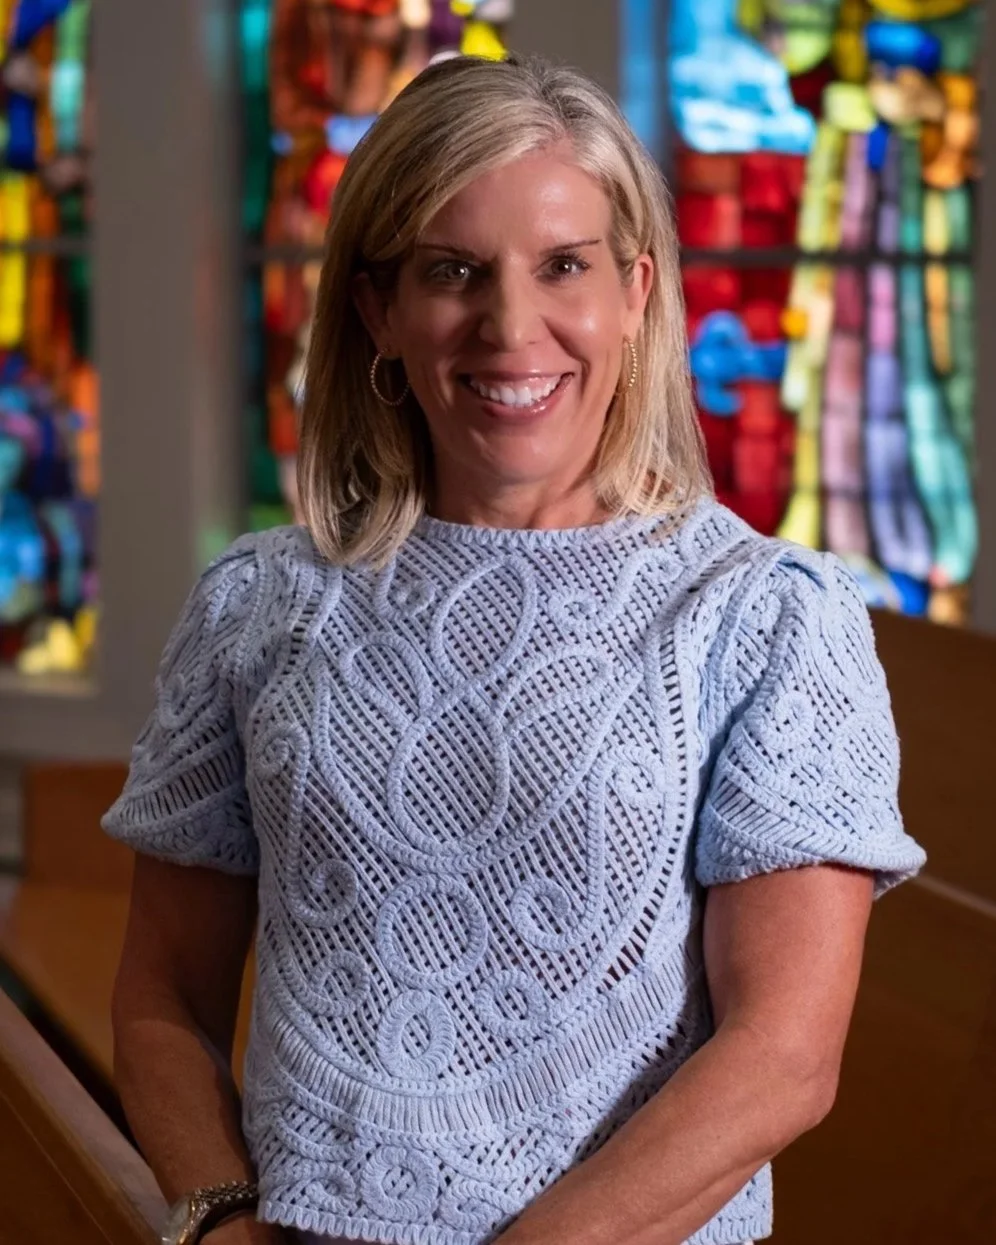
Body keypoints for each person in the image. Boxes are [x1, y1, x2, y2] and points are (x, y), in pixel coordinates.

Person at [104, 53, 926, 1245]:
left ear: (636, 290)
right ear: (379, 307)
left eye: (563, 267)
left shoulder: (765, 616)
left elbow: (784, 1058)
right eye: (452, 271)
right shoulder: (257, 605)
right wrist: (221, 1220)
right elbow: (162, 998)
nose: (510, 326)